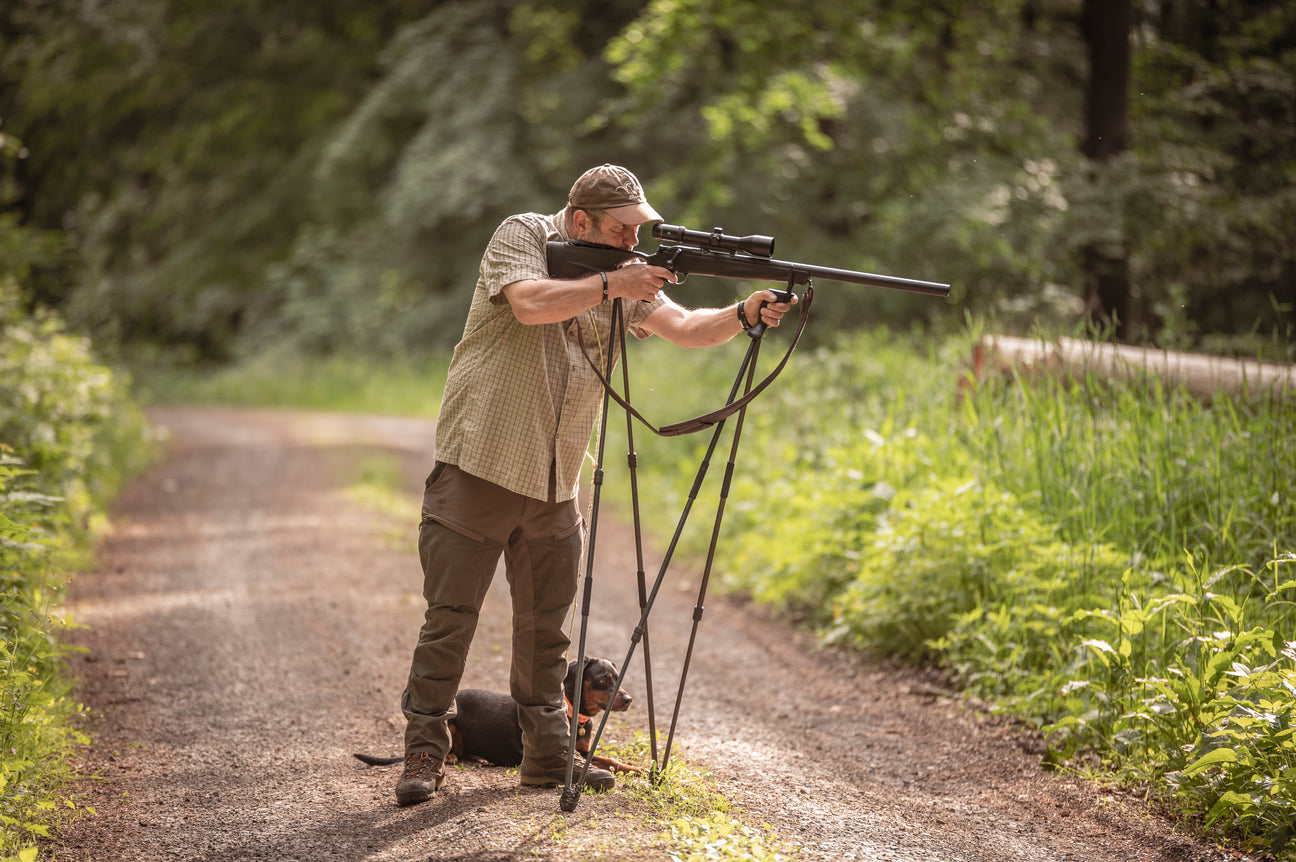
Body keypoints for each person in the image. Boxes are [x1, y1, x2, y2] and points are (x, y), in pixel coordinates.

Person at [395, 164, 793, 806]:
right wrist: (612, 282)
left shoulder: (621, 273)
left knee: (546, 632)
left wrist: (744, 312)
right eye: (620, 230)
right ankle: (423, 753)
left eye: (639, 231)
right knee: (450, 621)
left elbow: (687, 328)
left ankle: (549, 761)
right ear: (580, 222)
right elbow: (528, 303)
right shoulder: (522, 235)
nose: (633, 243)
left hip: (557, 483)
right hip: (481, 466)